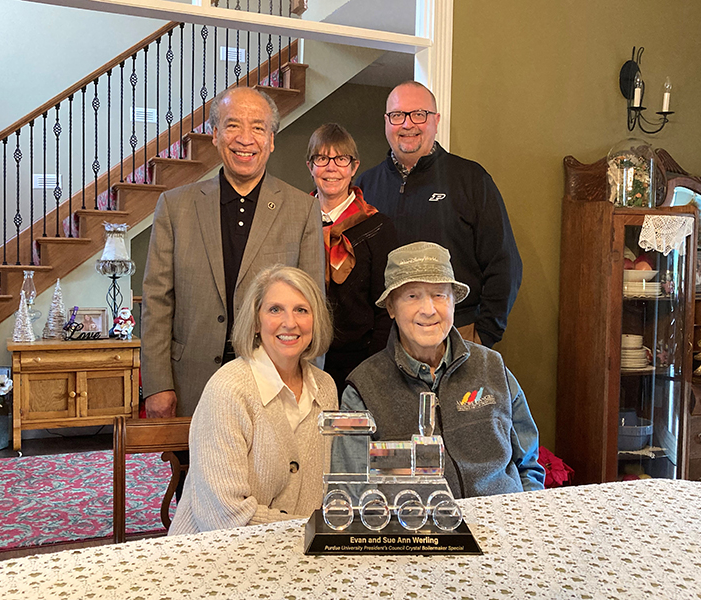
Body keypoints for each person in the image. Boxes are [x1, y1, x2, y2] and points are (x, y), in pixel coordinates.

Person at [141, 87, 324, 418]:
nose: (245, 138)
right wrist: (157, 384)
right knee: (195, 471)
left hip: (274, 378)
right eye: (232, 125)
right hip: (191, 382)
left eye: (257, 127)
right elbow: (157, 302)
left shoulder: (303, 209)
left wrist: (307, 382)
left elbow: (313, 306)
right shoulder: (174, 206)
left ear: (271, 139)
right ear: (214, 135)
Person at [340, 242, 544, 498]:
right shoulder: (362, 389)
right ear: (391, 308)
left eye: (439, 294)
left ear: (454, 302)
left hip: (502, 523)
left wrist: (524, 512)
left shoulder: (492, 367)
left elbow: (528, 465)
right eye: (412, 296)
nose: (428, 310)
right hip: (416, 531)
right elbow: (353, 485)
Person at [168, 266, 337, 533]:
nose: (290, 322)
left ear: (315, 321)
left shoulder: (326, 388)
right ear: (256, 321)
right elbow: (223, 517)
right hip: (214, 556)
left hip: (296, 553)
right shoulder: (228, 389)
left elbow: (325, 491)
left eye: (301, 310)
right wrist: (309, 528)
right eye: (275, 309)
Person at [355, 81, 522, 348]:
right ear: (386, 122)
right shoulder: (365, 185)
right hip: (384, 338)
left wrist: (485, 334)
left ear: (436, 120)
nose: (407, 124)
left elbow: (505, 264)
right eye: (397, 115)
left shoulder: (471, 179)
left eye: (418, 114)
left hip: (456, 331)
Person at [306, 123, 398, 394]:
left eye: (341, 159)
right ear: (310, 166)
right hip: (301, 358)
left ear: (354, 166)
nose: (331, 167)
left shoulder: (378, 226)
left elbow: (386, 309)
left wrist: (375, 367)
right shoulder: (295, 220)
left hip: (360, 363)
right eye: (321, 158)